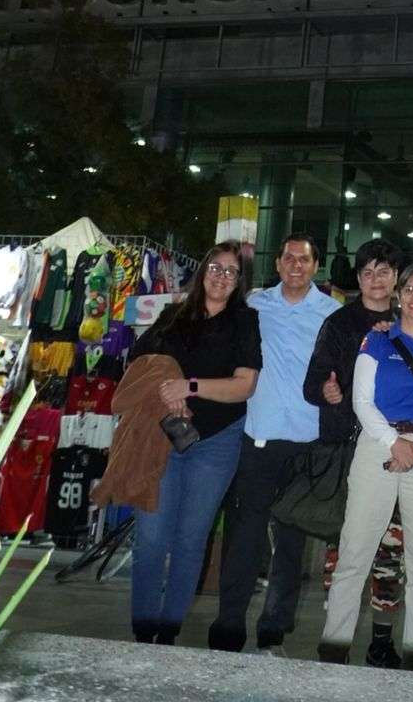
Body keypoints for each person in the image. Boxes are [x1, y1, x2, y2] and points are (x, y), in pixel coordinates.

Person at [319, 263, 413, 671]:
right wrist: (393, 442)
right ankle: (334, 646)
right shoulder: (376, 340)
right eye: (410, 290)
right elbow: (361, 401)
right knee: (353, 553)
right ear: (399, 295)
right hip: (378, 446)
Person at [125, 241, 261, 645]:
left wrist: (191, 387)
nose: (221, 277)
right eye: (215, 268)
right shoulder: (173, 316)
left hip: (216, 442)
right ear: (203, 271)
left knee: (190, 539)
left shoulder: (245, 321)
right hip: (161, 437)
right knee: (151, 537)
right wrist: (167, 393)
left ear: (239, 282)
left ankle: (169, 630)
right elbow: (137, 365)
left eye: (231, 272)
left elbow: (244, 386)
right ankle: (143, 627)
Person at [208, 233, 339, 653]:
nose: (296, 265)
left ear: (315, 266)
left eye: (304, 259)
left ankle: (273, 632)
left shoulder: (331, 313)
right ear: (278, 263)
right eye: (289, 258)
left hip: (307, 443)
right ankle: (228, 625)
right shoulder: (254, 305)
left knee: (290, 545)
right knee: (244, 538)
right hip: (259, 438)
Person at [303, 237, 406, 668]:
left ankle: (382, 639)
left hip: (394, 452)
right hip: (346, 450)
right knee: (343, 549)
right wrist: (326, 392)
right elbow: (312, 383)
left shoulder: (410, 321)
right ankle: (336, 635)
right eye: (367, 272)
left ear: (396, 277)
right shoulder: (339, 323)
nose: (375, 279)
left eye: (383, 271)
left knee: (391, 549)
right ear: (358, 279)